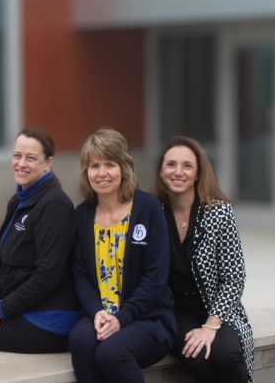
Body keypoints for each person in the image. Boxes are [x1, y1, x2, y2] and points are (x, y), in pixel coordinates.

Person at [0, 128, 80, 353]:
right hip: (20, 310)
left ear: (47, 163)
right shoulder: (18, 200)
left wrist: (1, 309)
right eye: (17, 155)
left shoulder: (54, 206)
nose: (21, 163)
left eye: (30, 158)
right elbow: (1, 259)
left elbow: (48, 275)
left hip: (49, 320)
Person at [69, 127, 176, 383]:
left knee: (111, 353)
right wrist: (97, 312)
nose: (102, 173)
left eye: (110, 164)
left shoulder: (148, 208)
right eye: (95, 166)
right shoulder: (82, 214)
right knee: (80, 342)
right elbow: (80, 274)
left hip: (148, 317)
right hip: (99, 314)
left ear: (124, 168)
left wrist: (122, 319)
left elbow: (156, 277)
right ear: (87, 172)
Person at [155, 136, 254, 382]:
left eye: (187, 165)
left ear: (199, 172)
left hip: (217, 307)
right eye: (171, 164)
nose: (178, 172)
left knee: (227, 354)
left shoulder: (219, 212)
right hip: (174, 311)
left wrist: (210, 326)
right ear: (160, 171)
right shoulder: (151, 212)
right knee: (198, 356)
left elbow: (234, 278)